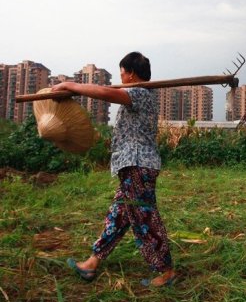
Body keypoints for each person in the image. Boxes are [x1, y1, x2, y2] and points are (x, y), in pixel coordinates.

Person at [53, 51, 176, 287]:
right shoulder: (142, 94)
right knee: (118, 216)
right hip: (131, 166)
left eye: (121, 72)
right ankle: (92, 262)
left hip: (138, 165)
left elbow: (106, 93)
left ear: (130, 74)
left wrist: (72, 86)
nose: (120, 77)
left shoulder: (140, 93)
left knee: (144, 217)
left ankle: (165, 270)